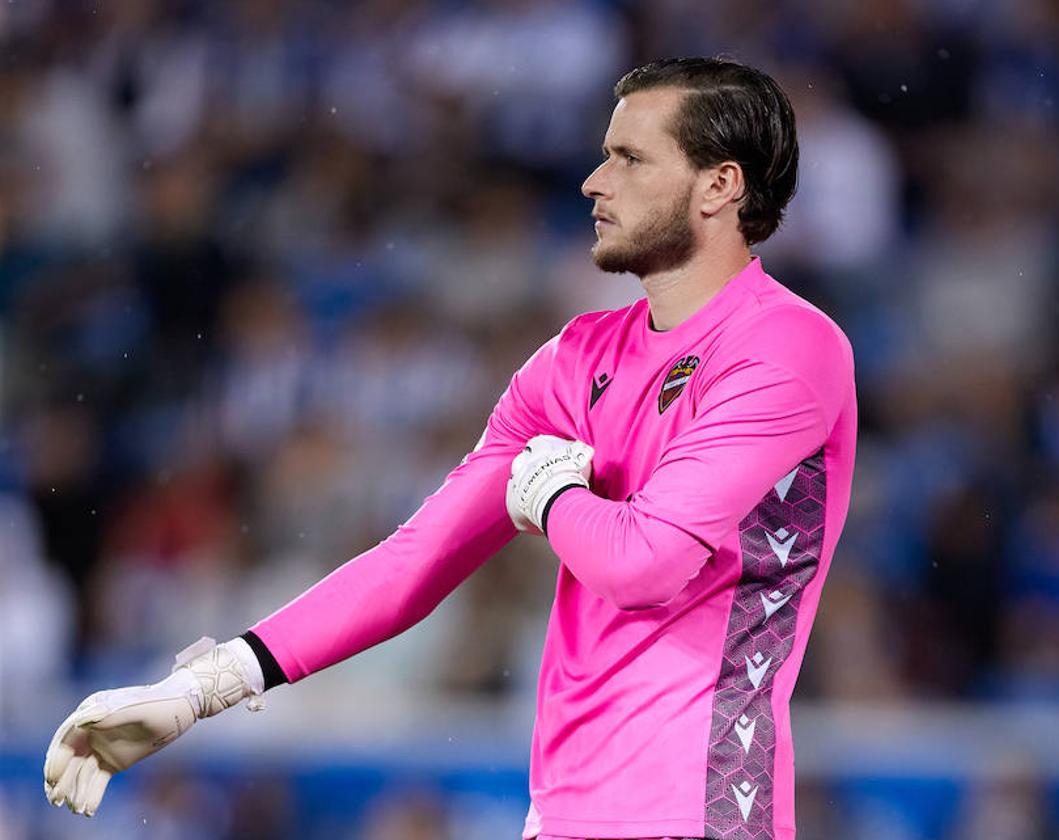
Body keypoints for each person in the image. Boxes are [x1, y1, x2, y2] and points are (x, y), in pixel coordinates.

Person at [44, 57, 857, 840]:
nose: (594, 182)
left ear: (721, 184)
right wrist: (196, 690)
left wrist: (550, 496)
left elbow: (643, 566)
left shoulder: (787, 347)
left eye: (629, 159)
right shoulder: (573, 359)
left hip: (700, 813)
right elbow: (413, 562)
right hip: (560, 815)